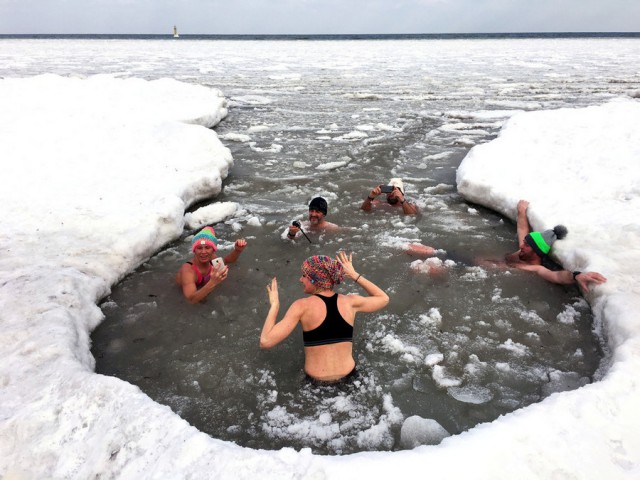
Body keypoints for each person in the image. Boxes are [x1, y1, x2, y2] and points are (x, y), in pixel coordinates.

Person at [260, 252, 389, 382]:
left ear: (314, 280)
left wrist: (275, 306)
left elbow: (266, 341)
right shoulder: (350, 302)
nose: (300, 280)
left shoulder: (301, 306)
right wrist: (354, 275)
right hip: (351, 379)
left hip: (316, 385)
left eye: (304, 275)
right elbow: (383, 299)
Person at [502, 200, 606, 292]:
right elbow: (522, 229)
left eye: (527, 245)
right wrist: (521, 210)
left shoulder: (537, 269)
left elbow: (557, 276)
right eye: (524, 242)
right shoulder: (523, 251)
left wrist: (576, 275)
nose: (522, 246)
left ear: (537, 251)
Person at [175, 226, 247, 303]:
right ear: (194, 250)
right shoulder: (188, 270)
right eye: (199, 248)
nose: (203, 252)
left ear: (213, 250)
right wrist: (213, 282)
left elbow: (227, 260)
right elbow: (191, 300)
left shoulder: (213, 258)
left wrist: (237, 250)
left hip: (203, 286)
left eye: (207, 247)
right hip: (186, 292)